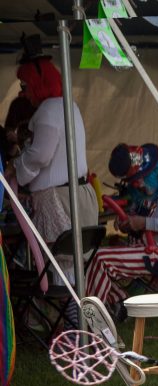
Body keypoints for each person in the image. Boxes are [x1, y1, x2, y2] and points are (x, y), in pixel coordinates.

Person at [85, 144, 158, 312]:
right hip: (146, 248)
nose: (137, 184)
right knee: (89, 257)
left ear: (153, 169)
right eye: (133, 181)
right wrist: (128, 224)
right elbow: (145, 220)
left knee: (99, 259)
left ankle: (93, 319)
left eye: (140, 178)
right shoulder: (152, 190)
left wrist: (144, 223)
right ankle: (119, 304)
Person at [8, 56, 98, 247]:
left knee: (61, 262)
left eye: (25, 86)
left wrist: (15, 168)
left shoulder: (48, 110)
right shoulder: (68, 105)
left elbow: (41, 155)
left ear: (37, 84)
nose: (23, 93)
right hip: (77, 194)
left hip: (60, 200)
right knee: (75, 262)